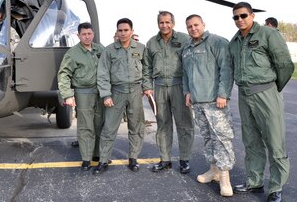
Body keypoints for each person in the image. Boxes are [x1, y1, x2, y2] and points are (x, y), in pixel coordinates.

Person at [229, 2, 294, 202]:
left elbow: (285, 65)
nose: (240, 20)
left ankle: (276, 187)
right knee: (251, 141)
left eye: (243, 16)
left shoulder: (268, 34)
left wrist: (273, 89)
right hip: (244, 95)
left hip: (266, 93)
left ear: (252, 15)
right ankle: (254, 181)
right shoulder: (234, 41)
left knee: (275, 142)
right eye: (236, 17)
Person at [182, 14, 234, 197]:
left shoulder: (217, 42)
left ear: (203, 24)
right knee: (207, 138)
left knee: (221, 139)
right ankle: (214, 171)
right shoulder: (187, 48)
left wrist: (223, 94)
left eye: (196, 25)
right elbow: (185, 74)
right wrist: (187, 92)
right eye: (189, 26)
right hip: (198, 102)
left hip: (215, 101)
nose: (193, 28)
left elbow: (226, 69)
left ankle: (225, 178)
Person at [93, 18, 147, 175]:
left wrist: (147, 87)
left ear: (132, 31)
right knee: (109, 127)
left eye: (126, 30)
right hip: (116, 91)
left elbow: (147, 70)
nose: (123, 33)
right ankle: (103, 160)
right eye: (120, 30)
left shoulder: (141, 48)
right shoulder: (109, 50)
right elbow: (102, 73)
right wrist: (106, 95)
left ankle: (133, 158)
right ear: (116, 32)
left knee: (136, 126)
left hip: (136, 91)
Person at [143, 11, 194, 174]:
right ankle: (165, 159)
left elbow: (191, 64)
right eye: (161, 22)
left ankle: (185, 159)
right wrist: (147, 85)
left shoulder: (184, 40)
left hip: (179, 85)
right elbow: (146, 67)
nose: (164, 25)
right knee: (163, 124)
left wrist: (190, 89)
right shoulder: (151, 43)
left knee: (184, 124)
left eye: (167, 22)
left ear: (173, 23)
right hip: (159, 87)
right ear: (157, 23)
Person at [57, 22, 105, 171]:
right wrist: (67, 95)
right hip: (83, 92)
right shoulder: (73, 53)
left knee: (99, 124)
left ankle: (97, 154)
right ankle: (86, 158)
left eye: (89, 33)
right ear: (78, 35)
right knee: (85, 126)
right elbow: (64, 74)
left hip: (100, 92)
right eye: (84, 34)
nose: (87, 36)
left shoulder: (100, 49)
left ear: (93, 34)